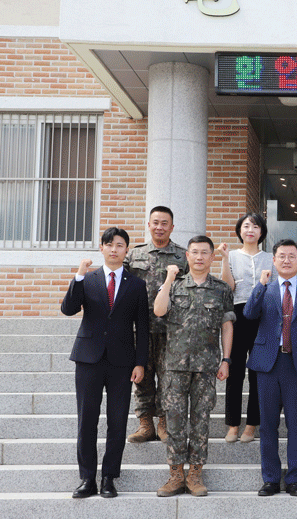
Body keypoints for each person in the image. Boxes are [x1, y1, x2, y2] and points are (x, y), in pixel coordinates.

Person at [61, 227, 149, 499]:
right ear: (101, 248)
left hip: (122, 361)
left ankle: (109, 477)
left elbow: (143, 327)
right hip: (88, 358)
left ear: (126, 251)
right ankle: (87, 478)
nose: (114, 249)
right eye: (109, 244)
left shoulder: (137, 284)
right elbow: (68, 309)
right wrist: (78, 275)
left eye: (120, 245)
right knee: (86, 420)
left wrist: (140, 362)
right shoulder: (87, 280)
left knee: (118, 420)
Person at [154, 235, 234, 497]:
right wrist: (168, 279)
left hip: (206, 366)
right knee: (175, 421)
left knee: (201, 421)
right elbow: (158, 310)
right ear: (187, 256)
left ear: (212, 257)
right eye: (194, 252)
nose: (199, 257)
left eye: (204, 253)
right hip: (175, 366)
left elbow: (226, 325)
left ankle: (195, 472)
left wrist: (226, 359)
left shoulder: (221, 289)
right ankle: (175, 474)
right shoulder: (174, 286)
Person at [245, 239, 297, 497]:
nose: (287, 260)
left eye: (292, 256)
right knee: (268, 425)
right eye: (282, 256)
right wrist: (260, 285)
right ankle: (270, 478)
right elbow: (248, 314)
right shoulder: (264, 289)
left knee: (296, 423)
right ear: (274, 259)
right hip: (268, 364)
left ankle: (294, 479)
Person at [124, 206, 187, 444]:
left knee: (169, 377)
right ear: (149, 225)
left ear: (172, 227)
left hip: (171, 328)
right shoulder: (134, 255)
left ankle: (163, 422)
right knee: (142, 375)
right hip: (141, 328)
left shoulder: (183, 256)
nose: (159, 227)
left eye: (164, 223)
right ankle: (145, 423)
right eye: (155, 222)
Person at [218, 212, 274, 444]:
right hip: (238, 314)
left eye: (255, 226)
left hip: (264, 315)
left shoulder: (271, 257)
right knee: (236, 370)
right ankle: (233, 424)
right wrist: (222, 259)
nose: (250, 230)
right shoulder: (230, 255)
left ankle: (251, 425)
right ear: (239, 230)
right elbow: (227, 286)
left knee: (258, 373)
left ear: (262, 232)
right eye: (246, 226)